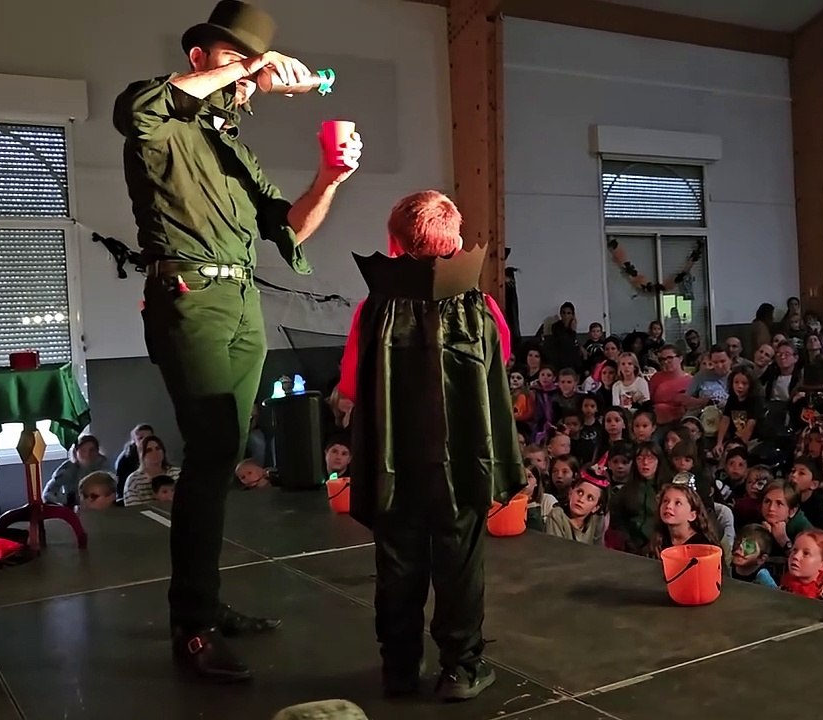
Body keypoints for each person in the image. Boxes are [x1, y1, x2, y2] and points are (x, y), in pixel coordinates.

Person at [113, 0, 363, 682]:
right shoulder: (157, 118)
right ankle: (192, 625)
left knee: (219, 457)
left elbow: (290, 230)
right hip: (188, 299)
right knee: (215, 446)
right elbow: (136, 112)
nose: (245, 83)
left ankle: (206, 602)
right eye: (231, 61)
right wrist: (250, 71)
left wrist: (330, 178)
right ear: (200, 59)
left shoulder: (228, 143)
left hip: (244, 297)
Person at [347, 191, 523, 701]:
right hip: (463, 457)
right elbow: (501, 367)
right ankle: (461, 670)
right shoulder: (482, 306)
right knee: (460, 558)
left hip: (396, 461)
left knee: (397, 560)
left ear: (397, 243)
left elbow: (354, 386)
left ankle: (399, 670)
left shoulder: (374, 308)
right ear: (455, 241)